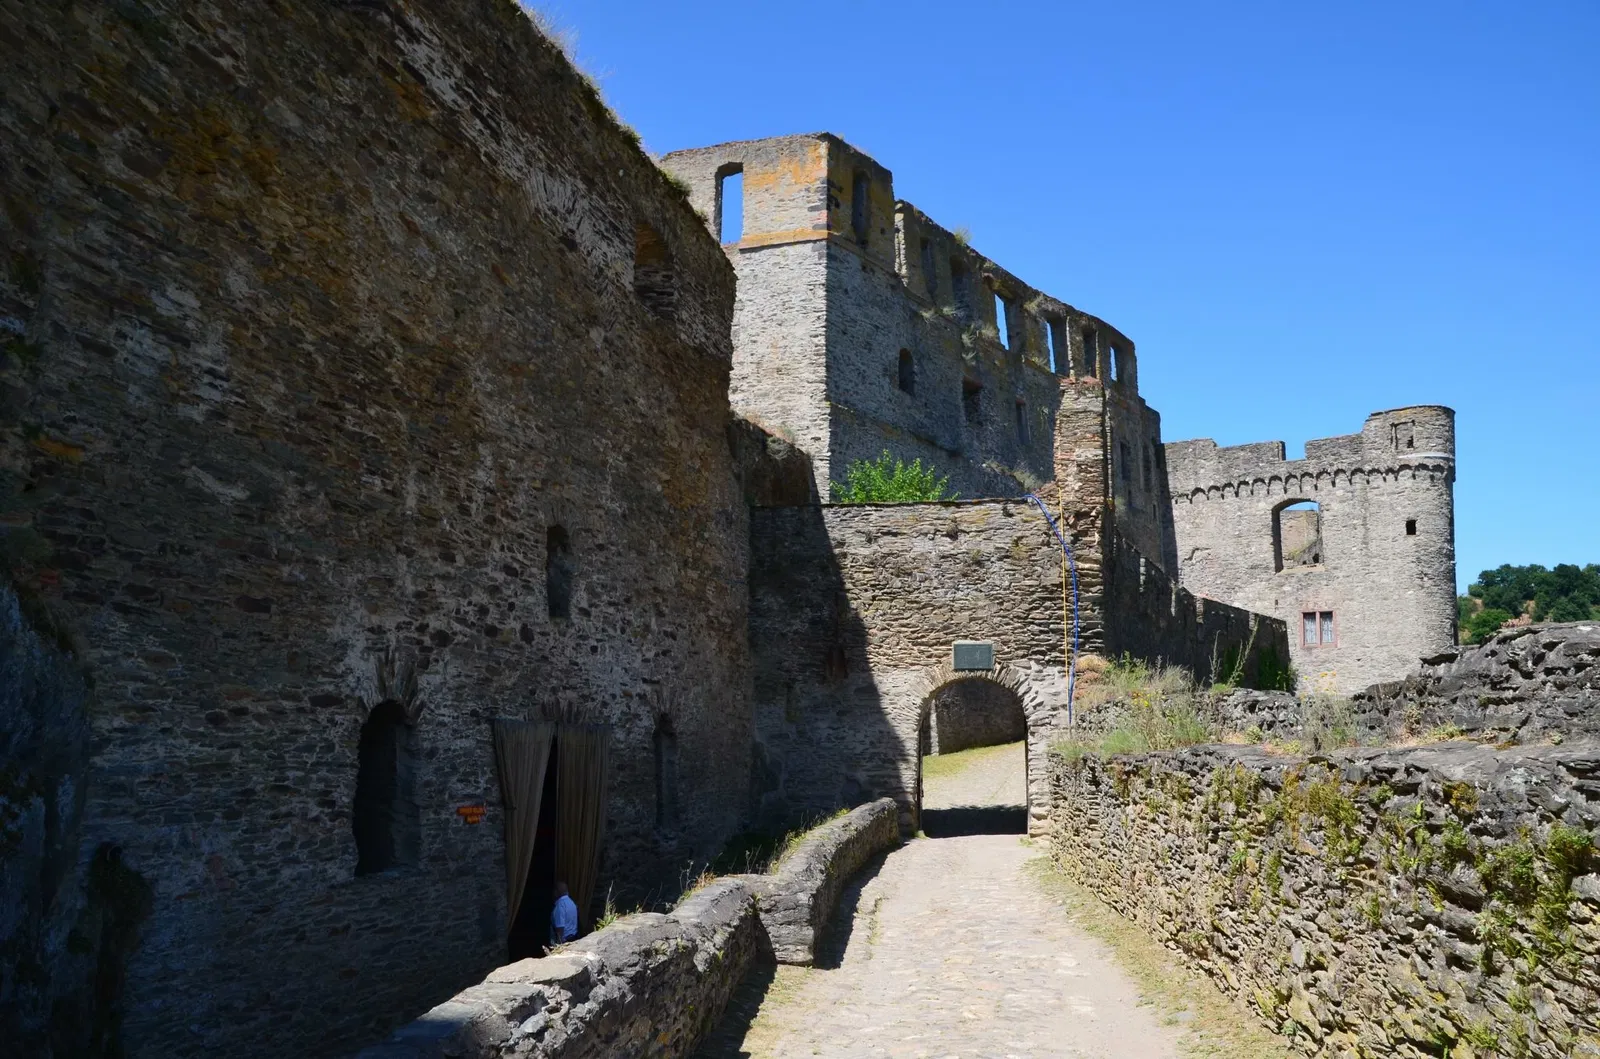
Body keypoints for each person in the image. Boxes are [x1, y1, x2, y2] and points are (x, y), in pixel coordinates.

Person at [550, 881, 579, 945]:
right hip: (573, 937)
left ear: (556, 892)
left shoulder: (560, 906)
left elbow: (560, 928)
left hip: (564, 941)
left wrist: (558, 946)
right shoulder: (572, 903)